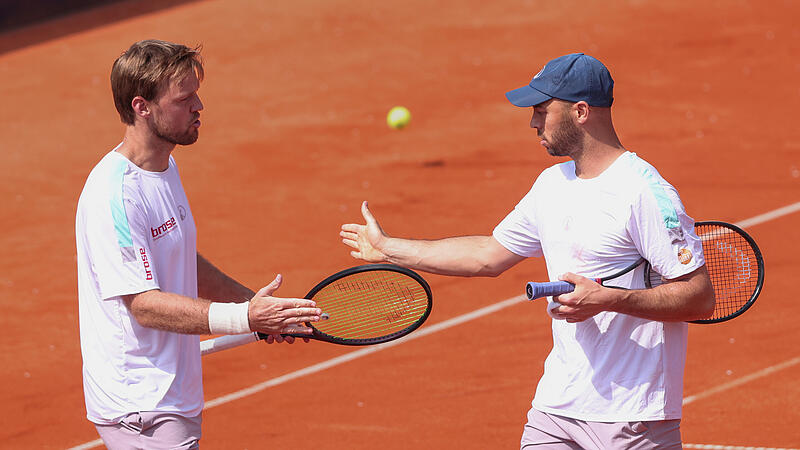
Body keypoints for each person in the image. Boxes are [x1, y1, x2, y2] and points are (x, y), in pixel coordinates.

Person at [340, 53, 715, 449]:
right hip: (557, 408)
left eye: (541, 111)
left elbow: (700, 297)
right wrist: (388, 248)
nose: (533, 123)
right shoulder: (552, 184)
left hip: (630, 416)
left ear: (581, 112)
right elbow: (487, 254)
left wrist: (608, 299)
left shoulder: (643, 193)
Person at [75, 39, 322, 449]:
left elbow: (180, 257)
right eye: (184, 99)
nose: (198, 106)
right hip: (142, 404)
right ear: (142, 107)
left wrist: (259, 308)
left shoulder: (164, 166)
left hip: (170, 393)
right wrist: (244, 318)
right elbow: (144, 305)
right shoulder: (114, 196)